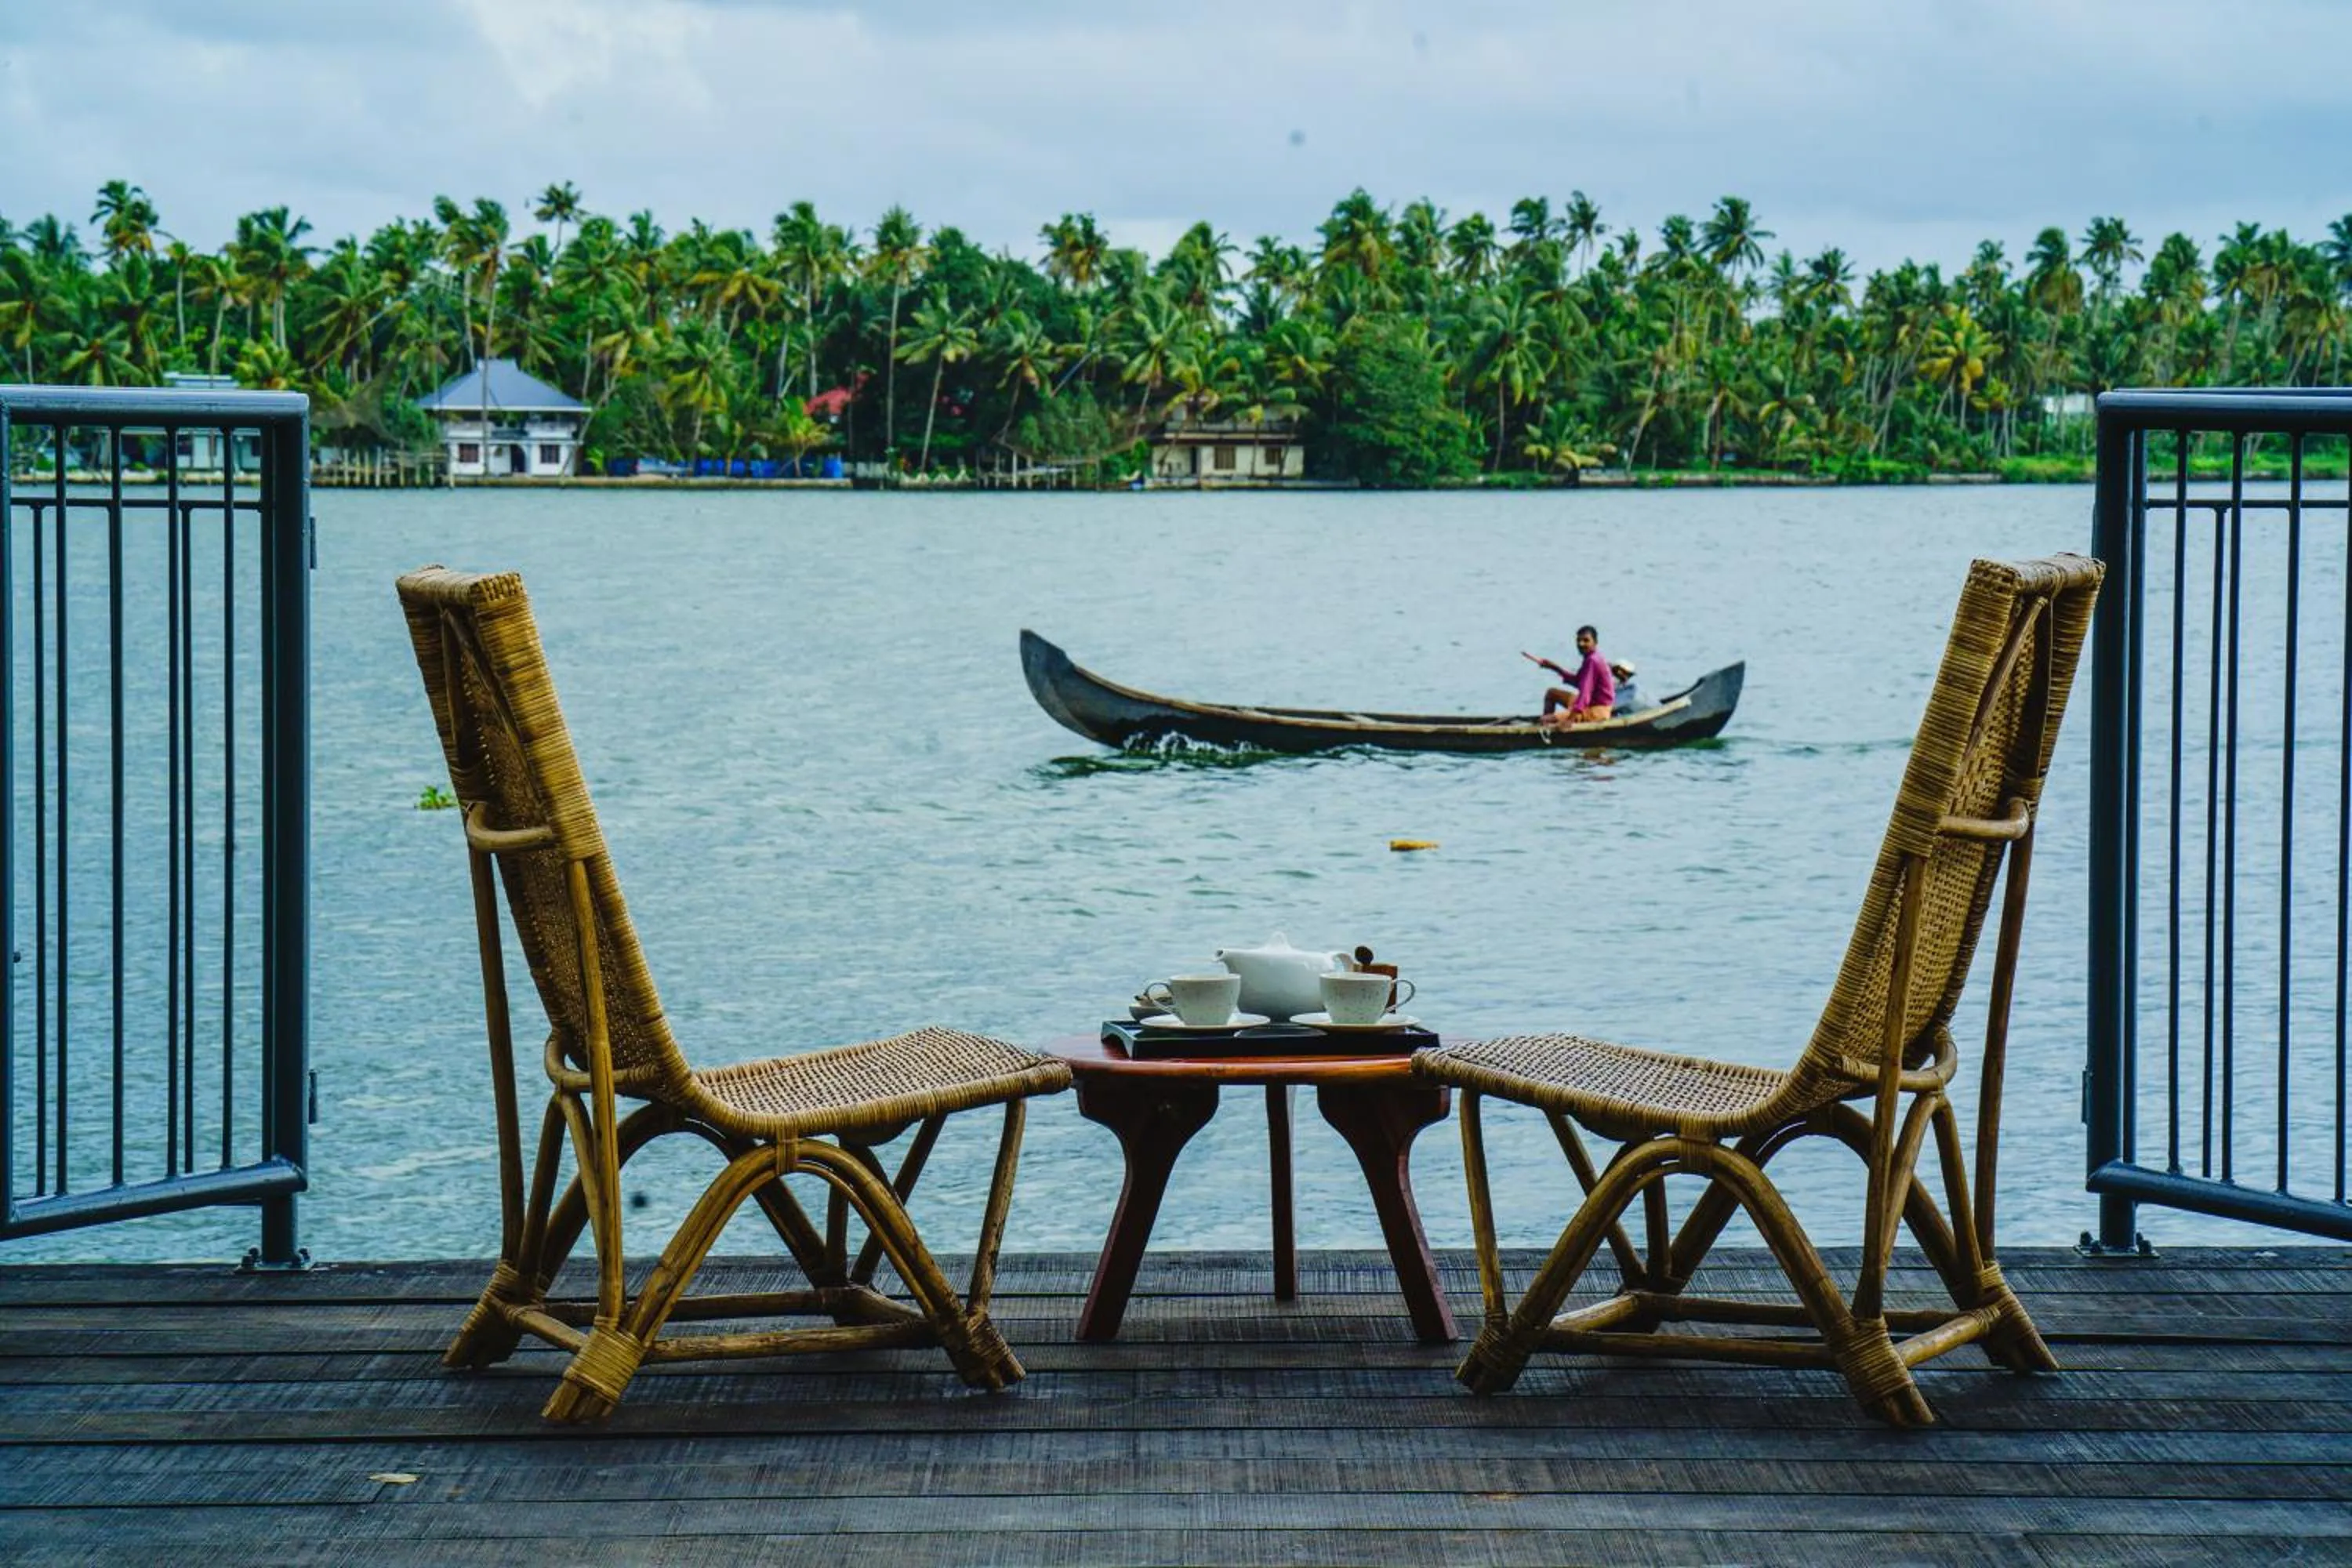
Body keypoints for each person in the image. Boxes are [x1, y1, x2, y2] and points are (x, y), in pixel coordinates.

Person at [1525, 625, 1616, 727]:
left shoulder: (1593, 661)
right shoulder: (1590, 658)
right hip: (1590, 703)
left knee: (1545, 720)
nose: (1581, 644)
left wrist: (1570, 719)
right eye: (1579, 641)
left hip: (1597, 711)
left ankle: (1547, 725)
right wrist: (1554, 668)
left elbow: (1585, 694)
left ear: (1595, 643)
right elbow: (1578, 682)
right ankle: (1548, 726)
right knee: (1552, 693)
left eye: (1586, 641)